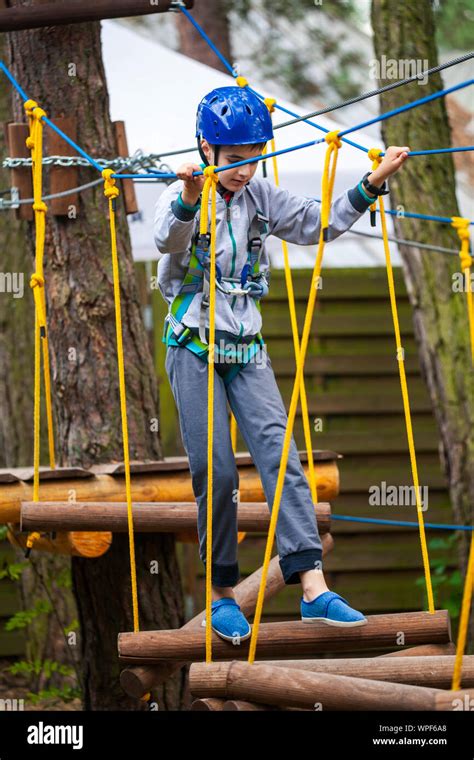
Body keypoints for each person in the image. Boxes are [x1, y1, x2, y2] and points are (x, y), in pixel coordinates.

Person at [153, 85, 409, 642]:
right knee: (217, 472)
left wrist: (370, 185)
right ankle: (222, 592)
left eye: (254, 157)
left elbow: (319, 225)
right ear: (207, 148)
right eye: (235, 159)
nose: (246, 170)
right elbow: (164, 237)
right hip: (193, 345)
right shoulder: (187, 191)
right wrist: (188, 199)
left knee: (282, 456)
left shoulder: (262, 196)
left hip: (245, 348)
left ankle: (313, 587)